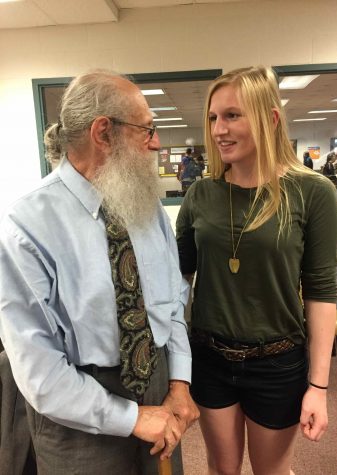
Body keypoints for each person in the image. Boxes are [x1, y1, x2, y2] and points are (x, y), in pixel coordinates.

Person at [0, 70, 199, 475]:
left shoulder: (148, 208)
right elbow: (39, 369)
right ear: (104, 133)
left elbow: (171, 302)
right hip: (78, 414)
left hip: (159, 389)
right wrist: (132, 418)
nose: (157, 142)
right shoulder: (27, 226)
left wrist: (179, 383)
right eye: (147, 129)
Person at [176, 66, 337, 475]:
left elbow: (321, 293)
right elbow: (178, 280)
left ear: (270, 119)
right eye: (213, 117)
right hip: (210, 358)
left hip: (277, 362)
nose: (218, 129)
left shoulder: (313, 192)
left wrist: (318, 387)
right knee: (221, 469)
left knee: (271, 470)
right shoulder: (201, 194)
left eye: (233, 115)